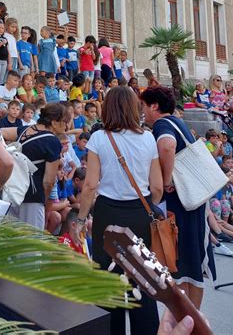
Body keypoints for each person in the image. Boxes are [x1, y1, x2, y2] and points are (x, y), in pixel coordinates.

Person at [76, 86, 163, 335]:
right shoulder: (148, 137)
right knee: (143, 280)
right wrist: (145, 202)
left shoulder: (99, 138)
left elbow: (90, 184)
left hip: (108, 213)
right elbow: (156, 186)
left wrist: (81, 219)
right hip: (140, 211)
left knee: (108, 280)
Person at [141, 85, 214, 309]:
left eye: (144, 105)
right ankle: (193, 318)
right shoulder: (177, 121)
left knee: (181, 263)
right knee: (193, 263)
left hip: (182, 205)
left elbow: (167, 146)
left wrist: (165, 180)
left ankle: (184, 320)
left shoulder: (162, 124)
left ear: (154, 106)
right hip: (194, 202)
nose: (142, 110)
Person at [2, 103, 67, 229]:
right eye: (64, 121)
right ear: (54, 122)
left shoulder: (25, 130)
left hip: (13, 190)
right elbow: (49, 181)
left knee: (10, 239)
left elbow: (0, 132)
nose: (66, 126)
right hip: (33, 195)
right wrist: (44, 200)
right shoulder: (52, 141)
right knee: (31, 242)